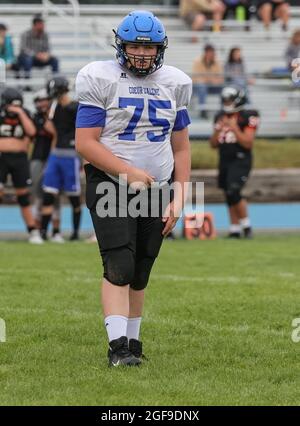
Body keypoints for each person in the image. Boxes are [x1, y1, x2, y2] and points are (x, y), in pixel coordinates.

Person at [75, 10, 192, 367]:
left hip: (157, 187)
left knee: (142, 268)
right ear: (120, 45)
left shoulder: (176, 82)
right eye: (134, 47)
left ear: (161, 48)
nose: (142, 54)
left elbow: (182, 147)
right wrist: (127, 172)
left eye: (149, 48)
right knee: (120, 264)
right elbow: (85, 142)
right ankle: (117, 348)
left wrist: (180, 196)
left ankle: (133, 343)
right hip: (110, 181)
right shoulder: (101, 77)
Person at [210, 86, 259, 238]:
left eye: (230, 100)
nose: (227, 102)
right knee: (227, 193)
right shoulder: (220, 116)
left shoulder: (248, 115)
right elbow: (213, 144)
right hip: (224, 158)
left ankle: (247, 226)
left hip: (240, 159)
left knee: (234, 190)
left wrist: (234, 128)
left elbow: (248, 143)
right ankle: (234, 229)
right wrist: (219, 130)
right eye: (225, 100)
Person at [40, 76, 81, 241]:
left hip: (70, 156)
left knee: (74, 198)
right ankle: (42, 232)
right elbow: (54, 131)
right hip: (56, 154)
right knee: (49, 194)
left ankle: (75, 233)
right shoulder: (54, 107)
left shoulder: (76, 107)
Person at [0, 87, 43, 244]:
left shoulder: (25, 113)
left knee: (23, 196)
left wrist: (19, 113)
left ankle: (33, 231)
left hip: (20, 158)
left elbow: (32, 132)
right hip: (2, 158)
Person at [30, 88, 64, 242]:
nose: (42, 103)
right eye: (39, 100)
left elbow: (60, 134)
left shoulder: (58, 116)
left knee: (55, 196)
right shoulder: (35, 118)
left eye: (44, 99)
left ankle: (56, 231)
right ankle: (37, 231)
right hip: (38, 158)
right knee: (38, 195)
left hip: (56, 159)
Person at [192, 44, 224, 119]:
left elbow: (221, 78)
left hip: (212, 85)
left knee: (224, 88)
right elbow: (195, 77)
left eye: (212, 53)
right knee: (202, 87)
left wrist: (211, 80)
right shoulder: (198, 61)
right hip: (200, 86)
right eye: (209, 52)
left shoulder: (217, 62)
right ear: (205, 53)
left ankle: (223, 109)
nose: (211, 55)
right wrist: (210, 79)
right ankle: (203, 109)